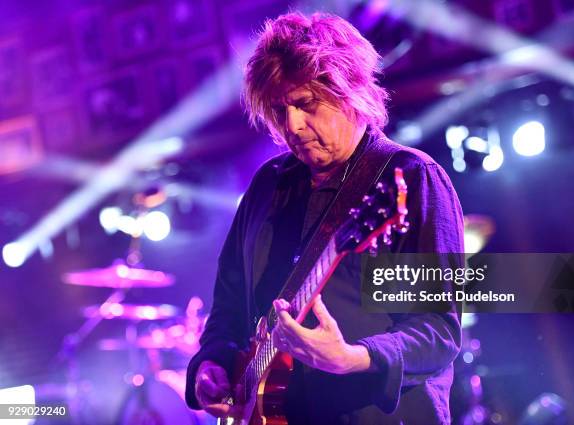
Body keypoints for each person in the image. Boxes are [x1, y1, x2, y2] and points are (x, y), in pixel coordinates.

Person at [186, 12, 464, 425]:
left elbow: (438, 330)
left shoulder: (410, 178)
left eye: (305, 104)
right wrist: (213, 364)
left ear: (350, 91)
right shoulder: (267, 186)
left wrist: (355, 357)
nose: (292, 125)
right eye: (280, 110)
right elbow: (228, 308)